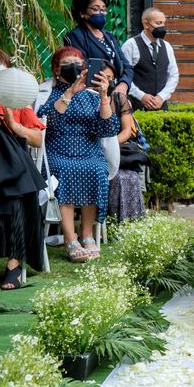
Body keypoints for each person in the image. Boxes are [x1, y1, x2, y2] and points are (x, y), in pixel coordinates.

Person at [37, 47, 119, 262]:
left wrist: (104, 96)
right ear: (56, 69)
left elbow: (108, 129)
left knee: (96, 169)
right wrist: (70, 93)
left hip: (88, 151)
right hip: (56, 151)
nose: (73, 66)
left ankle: (87, 234)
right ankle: (70, 237)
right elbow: (47, 124)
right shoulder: (46, 92)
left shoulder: (92, 95)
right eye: (67, 63)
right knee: (65, 170)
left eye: (77, 62)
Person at [0, 51, 46, 290]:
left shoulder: (15, 100)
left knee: (17, 197)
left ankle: (13, 265)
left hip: (13, 167)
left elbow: (37, 139)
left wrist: (14, 126)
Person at [64, 0, 133, 96]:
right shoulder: (76, 36)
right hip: (91, 95)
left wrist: (123, 84)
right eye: (96, 9)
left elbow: (127, 66)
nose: (101, 13)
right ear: (82, 13)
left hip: (115, 93)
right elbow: (81, 68)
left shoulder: (109, 36)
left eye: (104, 10)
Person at [101, 61, 146, 222]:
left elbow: (127, 131)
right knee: (116, 179)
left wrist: (110, 146)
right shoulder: (86, 96)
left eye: (112, 78)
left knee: (129, 177)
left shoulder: (119, 98)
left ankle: (132, 223)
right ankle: (111, 221)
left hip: (117, 149)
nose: (110, 82)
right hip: (93, 152)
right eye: (105, 77)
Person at [122, 7, 179, 111]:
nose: (162, 27)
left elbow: (173, 75)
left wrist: (161, 97)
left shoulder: (167, 46)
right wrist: (141, 96)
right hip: (135, 107)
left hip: (162, 107)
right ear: (146, 24)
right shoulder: (130, 45)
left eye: (163, 23)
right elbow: (123, 75)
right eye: (158, 23)